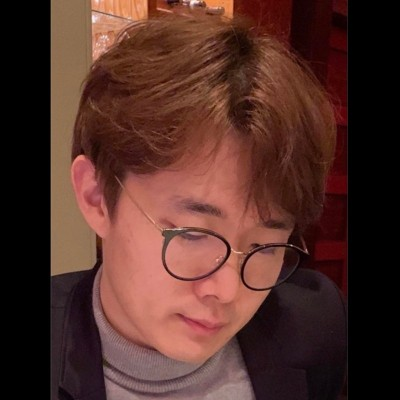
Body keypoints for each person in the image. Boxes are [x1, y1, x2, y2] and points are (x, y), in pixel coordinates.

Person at [51, 14, 347, 400]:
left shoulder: (318, 327)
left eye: (265, 247)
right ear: (97, 197)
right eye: (193, 234)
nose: (227, 291)